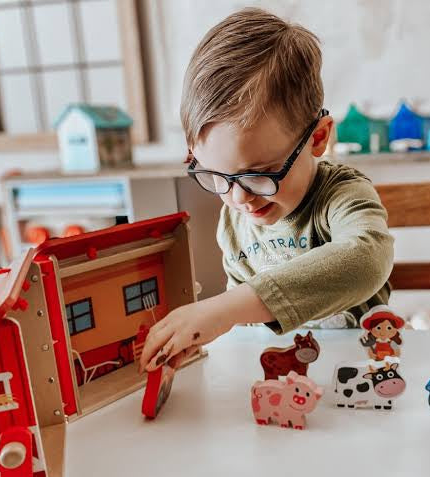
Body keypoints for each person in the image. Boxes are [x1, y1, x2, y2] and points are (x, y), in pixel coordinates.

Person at [139, 7, 393, 371]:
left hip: (359, 377)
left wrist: (223, 310)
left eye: (260, 174)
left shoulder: (341, 195)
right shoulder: (235, 218)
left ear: (317, 138)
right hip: (286, 380)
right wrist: (204, 335)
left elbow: (366, 260)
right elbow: (244, 318)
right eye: (215, 176)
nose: (239, 197)